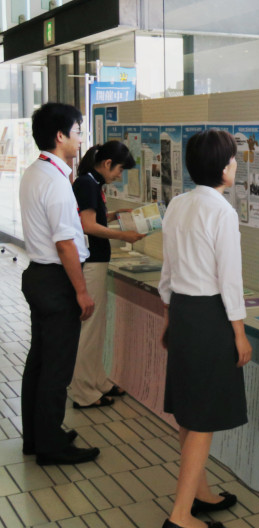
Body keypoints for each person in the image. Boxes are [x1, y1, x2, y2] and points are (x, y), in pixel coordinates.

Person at [158, 129, 251, 528]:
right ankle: (180, 516)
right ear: (222, 167)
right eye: (232, 159)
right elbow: (229, 280)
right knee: (203, 419)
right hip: (211, 317)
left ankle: (200, 492)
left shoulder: (178, 204)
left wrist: (168, 317)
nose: (236, 165)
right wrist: (240, 333)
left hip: (182, 312)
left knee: (189, 413)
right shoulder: (221, 212)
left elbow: (168, 271)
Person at [19, 102, 100, 466]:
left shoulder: (35, 173)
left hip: (38, 276)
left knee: (39, 361)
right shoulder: (55, 181)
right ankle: (51, 446)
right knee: (56, 367)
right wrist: (81, 291)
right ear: (60, 136)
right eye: (78, 131)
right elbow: (66, 243)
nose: (80, 138)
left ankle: (36, 436)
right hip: (56, 281)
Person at [69, 141, 145, 409]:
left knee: (96, 328)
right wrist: (123, 234)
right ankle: (83, 392)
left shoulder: (91, 183)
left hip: (95, 263)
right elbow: (87, 226)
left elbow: (93, 219)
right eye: (120, 170)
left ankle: (96, 380)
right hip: (90, 265)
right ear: (108, 163)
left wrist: (114, 215)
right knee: (89, 329)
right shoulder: (87, 184)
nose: (119, 176)